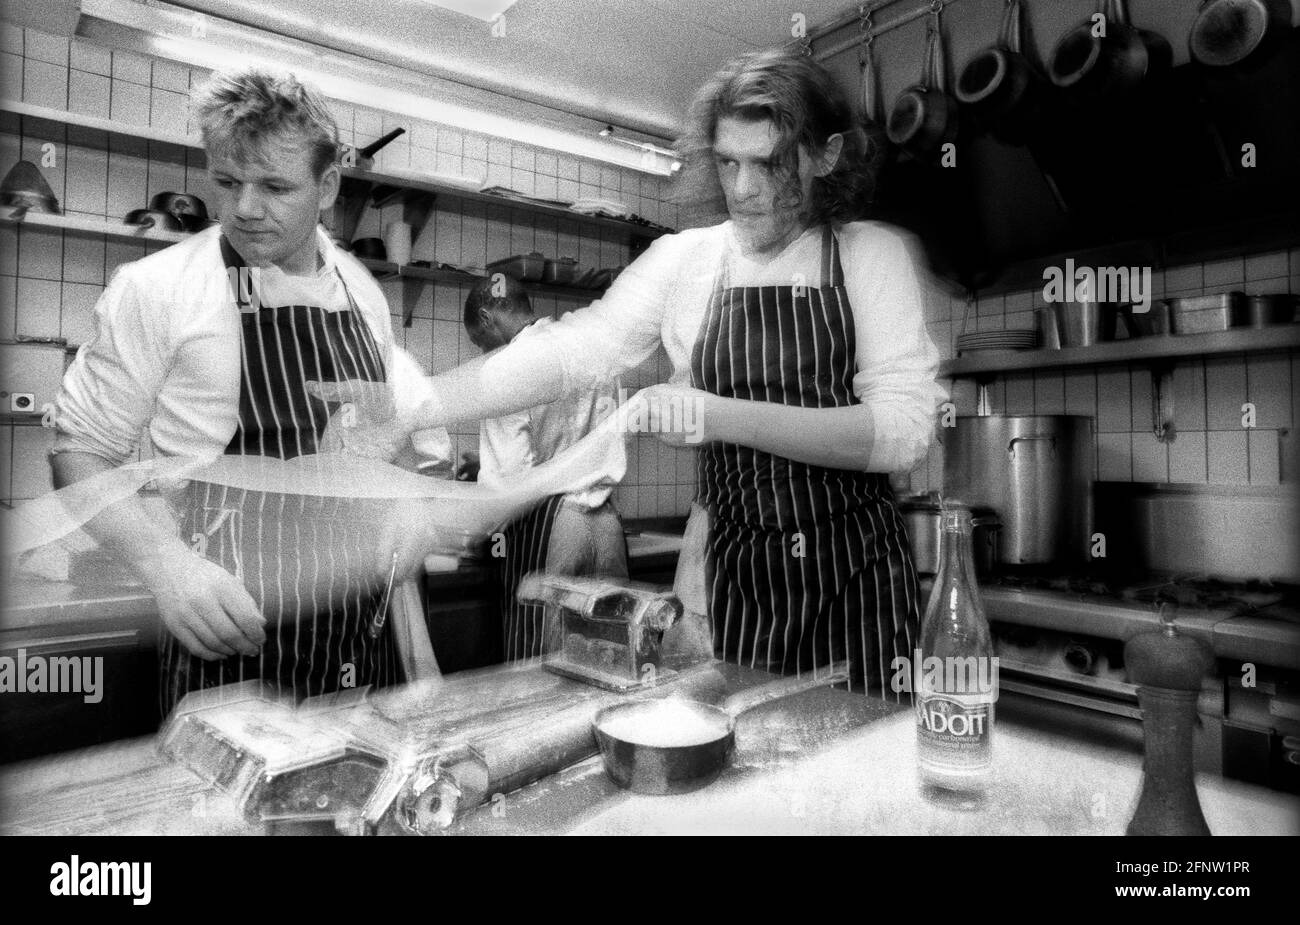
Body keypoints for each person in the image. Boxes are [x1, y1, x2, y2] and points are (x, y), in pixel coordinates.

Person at [335, 50, 947, 697]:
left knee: (856, 775)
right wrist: (417, 404)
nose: (743, 188)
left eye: (769, 162)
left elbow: (903, 432)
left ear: (825, 156)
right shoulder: (687, 261)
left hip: (855, 585)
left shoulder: (869, 256)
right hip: (732, 586)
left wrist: (715, 414)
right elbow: (570, 352)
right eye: (729, 161)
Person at [50, 68, 449, 715]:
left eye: (275, 186)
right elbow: (78, 451)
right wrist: (165, 566)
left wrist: (406, 500)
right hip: (224, 643)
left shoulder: (361, 294)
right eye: (228, 181)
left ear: (327, 187)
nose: (244, 208)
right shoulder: (160, 290)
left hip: (351, 643)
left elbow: (380, 434)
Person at [459, 274, 627, 661]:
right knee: (608, 658)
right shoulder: (588, 348)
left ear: (487, 318)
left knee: (541, 665)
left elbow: (509, 486)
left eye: (477, 340)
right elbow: (580, 442)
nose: (481, 350)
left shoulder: (506, 368)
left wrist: (474, 534)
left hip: (552, 529)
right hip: (605, 526)